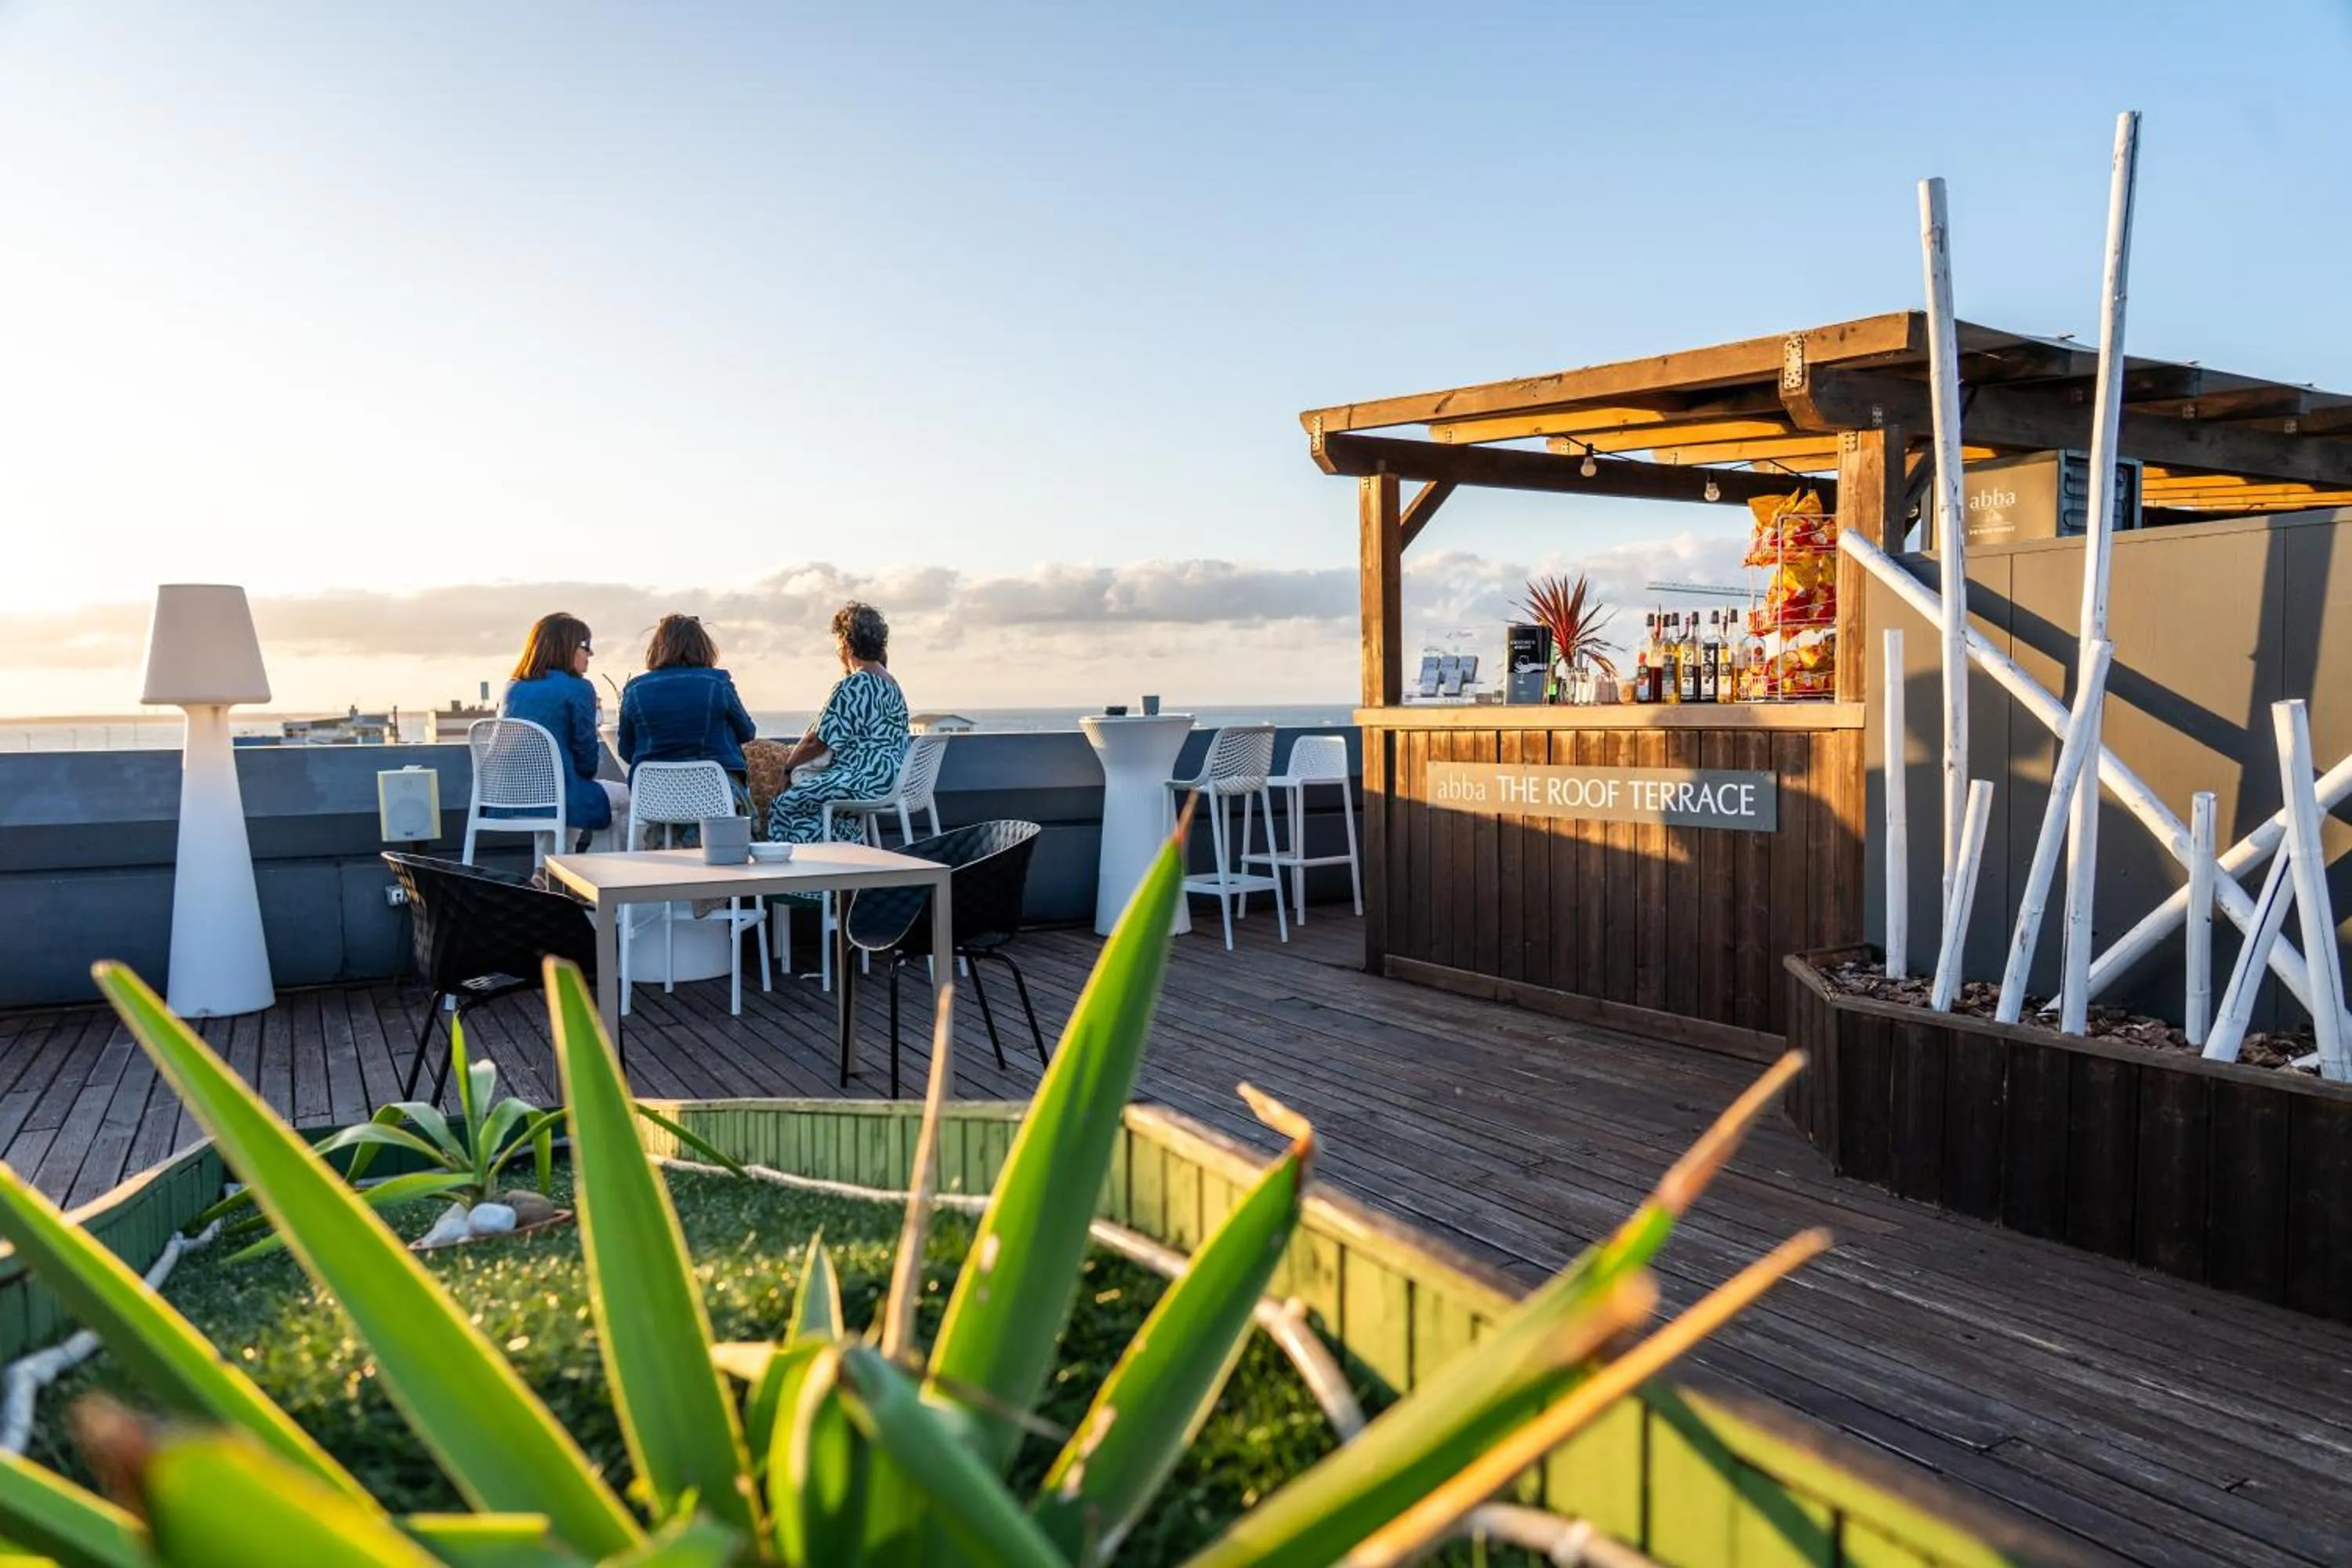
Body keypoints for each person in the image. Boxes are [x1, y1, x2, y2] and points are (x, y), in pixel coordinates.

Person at [765, 601, 910, 844]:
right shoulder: (891, 683)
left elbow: (816, 742)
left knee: (786, 803)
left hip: (864, 779)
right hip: (890, 777)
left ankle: (807, 873)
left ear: (844, 643)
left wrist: (788, 769)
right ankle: (844, 856)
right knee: (825, 803)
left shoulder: (854, 685)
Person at [498, 612, 628, 848]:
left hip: (507, 797)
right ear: (566, 647)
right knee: (634, 800)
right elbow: (587, 762)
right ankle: (601, 873)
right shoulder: (578, 688)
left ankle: (545, 871)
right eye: (585, 645)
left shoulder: (513, 688)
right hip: (558, 796)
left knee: (565, 791)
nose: (591, 653)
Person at [618, 615, 759, 815]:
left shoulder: (634, 689)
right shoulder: (717, 682)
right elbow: (747, 732)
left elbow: (626, 751)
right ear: (703, 646)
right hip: (715, 793)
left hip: (655, 797)